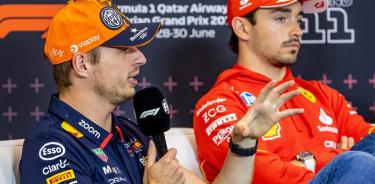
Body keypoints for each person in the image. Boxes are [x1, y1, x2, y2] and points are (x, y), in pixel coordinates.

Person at [18, 0, 302, 183]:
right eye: (124, 50)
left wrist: (243, 144)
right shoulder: (52, 149)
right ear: (82, 63)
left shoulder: (131, 133)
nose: (140, 59)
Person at [193, 0, 375, 183]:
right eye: (281, 18)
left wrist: (309, 162)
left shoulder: (324, 95)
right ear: (243, 28)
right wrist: (341, 158)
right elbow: (262, 174)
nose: (297, 31)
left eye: (299, 20)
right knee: (359, 164)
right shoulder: (219, 102)